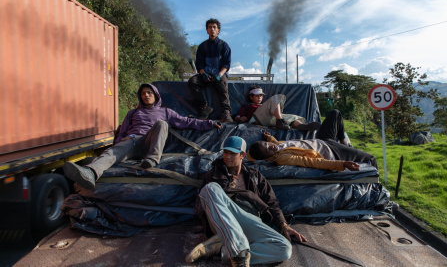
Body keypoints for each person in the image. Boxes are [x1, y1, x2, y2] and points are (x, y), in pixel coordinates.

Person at [63, 83, 221, 189]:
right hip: (131, 143)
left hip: (149, 143)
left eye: (149, 93)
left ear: (156, 95)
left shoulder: (166, 112)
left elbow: (187, 122)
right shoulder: (133, 113)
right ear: (140, 97)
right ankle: (90, 173)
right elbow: (123, 131)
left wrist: (210, 124)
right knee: (112, 152)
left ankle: (152, 159)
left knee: (162, 124)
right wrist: (117, 145)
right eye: (144, 93)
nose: (146, 95)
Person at [185, 136, 307, 266]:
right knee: (209, 189)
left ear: (242, 155)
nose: (227, 156)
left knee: (284, 249)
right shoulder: (214, 175)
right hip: (225, 224)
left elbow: (272, 202)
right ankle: (239, 257)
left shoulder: (255, 175)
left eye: (233, 153)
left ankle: (223, 250)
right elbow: (204, 205)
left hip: (250, 221)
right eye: (226, 152)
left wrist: (284, 226)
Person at [248, 109, 377, 171]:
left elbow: (276, 144)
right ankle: (378, 190)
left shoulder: (277, 146)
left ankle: (344, 142)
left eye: (267, 144)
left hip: (322, 140)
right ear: (267, 157)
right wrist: (341, 164)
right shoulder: (282, 158)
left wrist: (268, 137)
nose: (272, 147)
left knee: (335, 113)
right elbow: (312, 162)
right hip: (330, 150)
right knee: (370, 158)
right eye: (268, 150)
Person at [188, 18, 233, 123]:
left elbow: (226, 63)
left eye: (214, 27)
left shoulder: (224, 46)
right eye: (210, 27)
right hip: (206, 74)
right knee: (192, 82)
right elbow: (199, 63)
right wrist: (203, 74)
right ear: (207, 30)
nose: (212, 29)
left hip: (219, 74)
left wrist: (220, 74)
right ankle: (205, 108)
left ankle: (226, 113)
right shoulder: (202, 47)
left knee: (223, 85)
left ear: (218, 30)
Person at [234, 85, 321, 130]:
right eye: (257, 96)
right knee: (276, 98)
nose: (259, 97)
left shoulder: (264, 105)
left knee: (291, 117)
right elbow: (237, 116)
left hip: (269, 119)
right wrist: (240, 118)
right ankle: (280, 121)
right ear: (251, 97)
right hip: (256, 119)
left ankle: (302, 126)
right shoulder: (247, 106)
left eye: (261, 95)